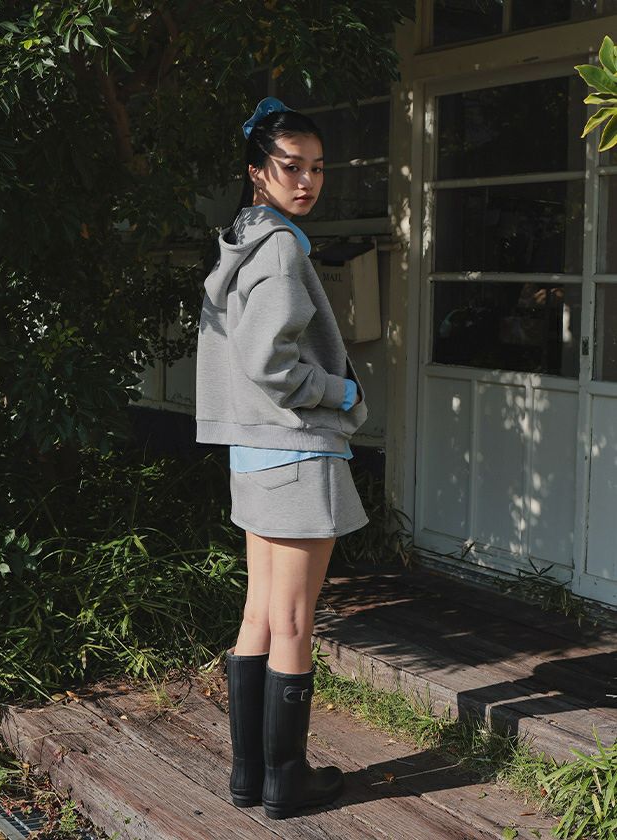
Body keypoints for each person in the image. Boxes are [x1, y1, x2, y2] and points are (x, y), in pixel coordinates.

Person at [194, 97, 370, 820]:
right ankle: (287, 782)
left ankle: (250, 778)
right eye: (291, 166)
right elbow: (271, 362)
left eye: (318, 168)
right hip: (296, 450)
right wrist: (340, 390)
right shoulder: (281, 248)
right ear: (256, 171)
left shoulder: (242, 239)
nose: (307, 181)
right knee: (293, 622)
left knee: (261, 615)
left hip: (253, 453)